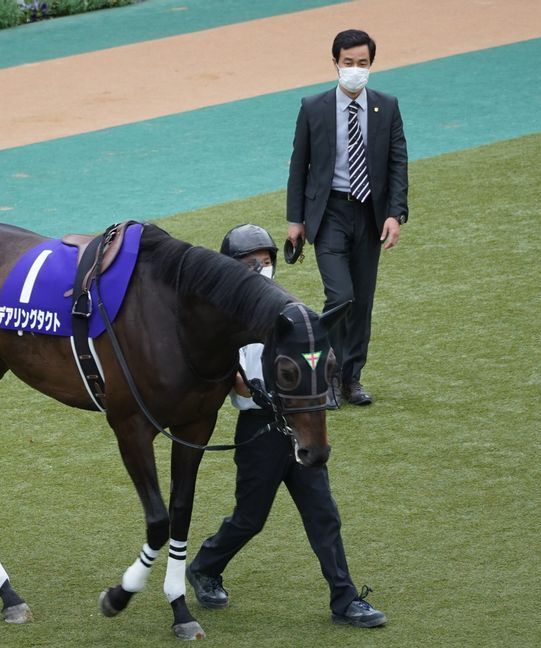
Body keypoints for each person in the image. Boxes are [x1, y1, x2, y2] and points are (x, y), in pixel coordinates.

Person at [186, 223, 386, 628]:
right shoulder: (225, 323)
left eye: (265, 261)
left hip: (300, 425)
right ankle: (205, 566)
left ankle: (345, 600)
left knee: (323, 513)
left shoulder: (290, 314)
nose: (261, 269)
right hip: (259, 431)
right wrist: (255, 391)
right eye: (250, 263)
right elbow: (235, 384)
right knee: (250, 518)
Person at [285, 29, 409, 408]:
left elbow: (397, 162)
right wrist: (295, 219)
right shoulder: (313, 107)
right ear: (335, 63)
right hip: (329, 214)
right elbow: (298, 165)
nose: (356, 70)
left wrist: (395, 214)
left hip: (369, 215)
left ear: (371, 64)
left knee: (362, 301)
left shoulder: (386, 106)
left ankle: (351, 379)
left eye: (363, 63)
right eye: (348, 63)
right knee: (341, 295)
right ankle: (329, 370)